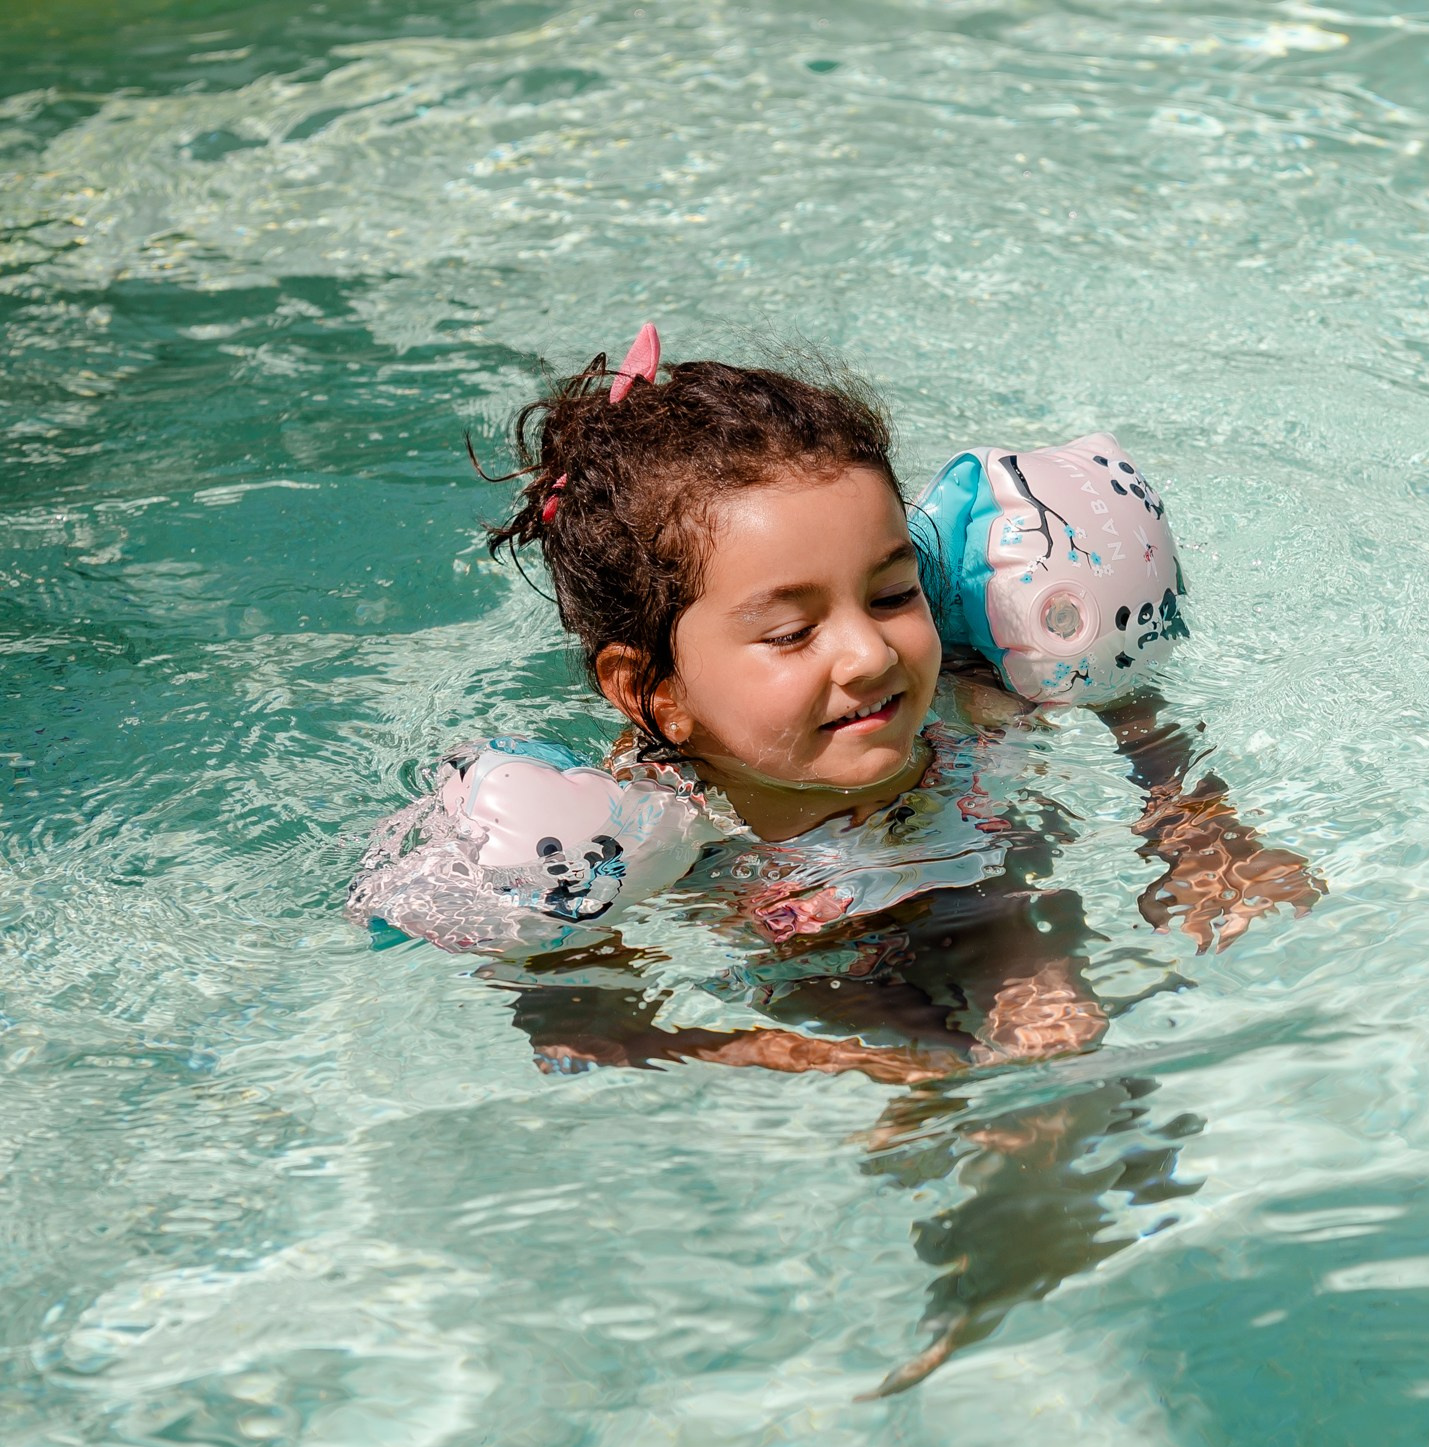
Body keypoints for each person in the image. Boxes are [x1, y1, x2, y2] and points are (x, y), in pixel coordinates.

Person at [350, 328, 1320, 1082]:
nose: (868, 651)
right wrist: (791, 1057)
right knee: (950, 1067)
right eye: (789, 630)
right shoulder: (648, 831)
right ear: (654, 692)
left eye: (894, 593)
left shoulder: (968, 697)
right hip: (805, 961)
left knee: (1055, 1024)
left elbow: (1119, 694)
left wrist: (1191, 821)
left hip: (985, 893)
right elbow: (585, 1029)